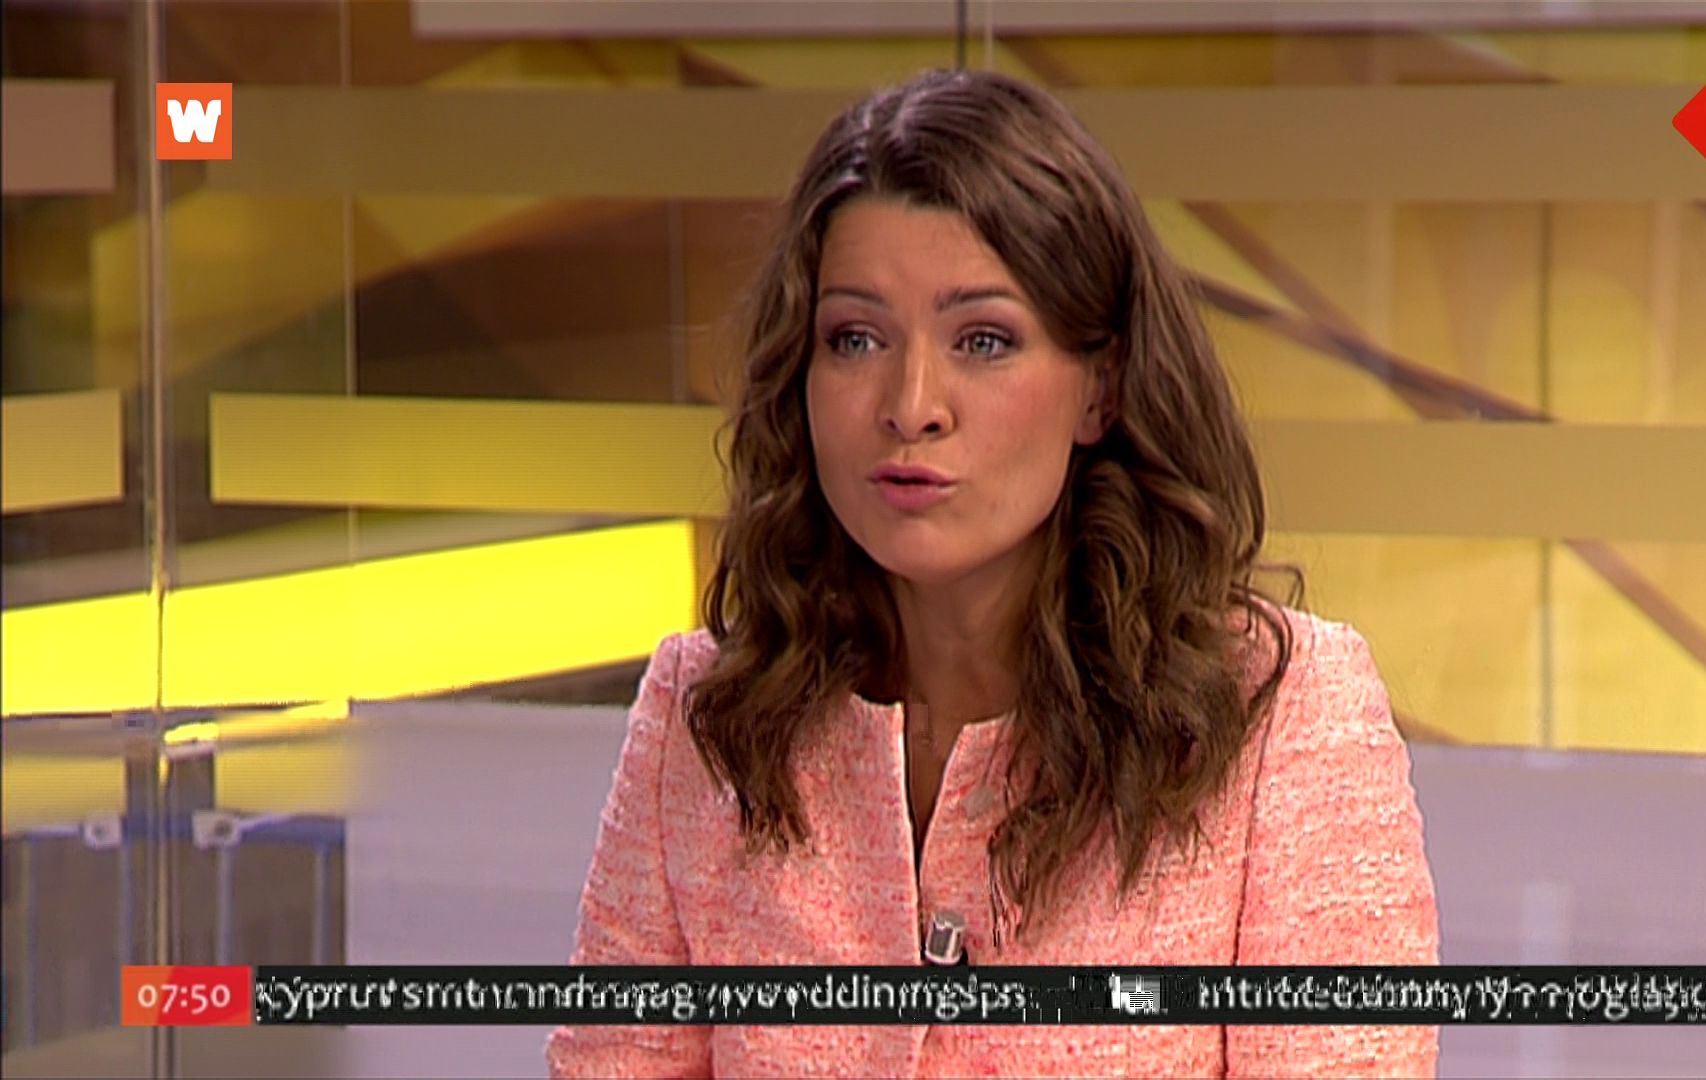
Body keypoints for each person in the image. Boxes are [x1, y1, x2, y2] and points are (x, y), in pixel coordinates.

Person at [548, 68, 1438, 1079]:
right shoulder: (704, 716)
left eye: (983, 340)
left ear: (1101, 386)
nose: (911, 404)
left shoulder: (1282, 717)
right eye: (855, 338)